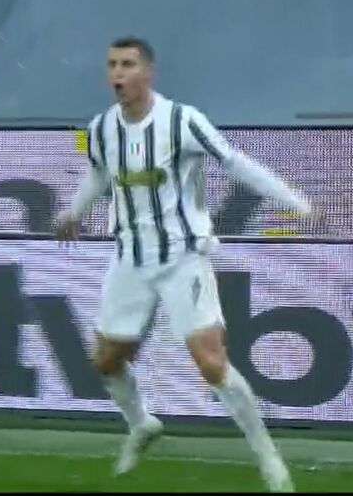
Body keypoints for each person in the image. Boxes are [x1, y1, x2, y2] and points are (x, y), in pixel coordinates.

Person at [55, 37, 321, 492]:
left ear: (148, 72)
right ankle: (142, 425)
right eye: (112, 64)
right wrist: (74, 210)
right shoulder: (101, 129)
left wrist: (296, 203)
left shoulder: (182, 120)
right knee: (106, 361)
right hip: (130, 258)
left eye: (128, 64)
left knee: (210, 361)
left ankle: (268, 458)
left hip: (183, 256)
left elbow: (236, 163)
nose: (118, 73)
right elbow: (100, 172)